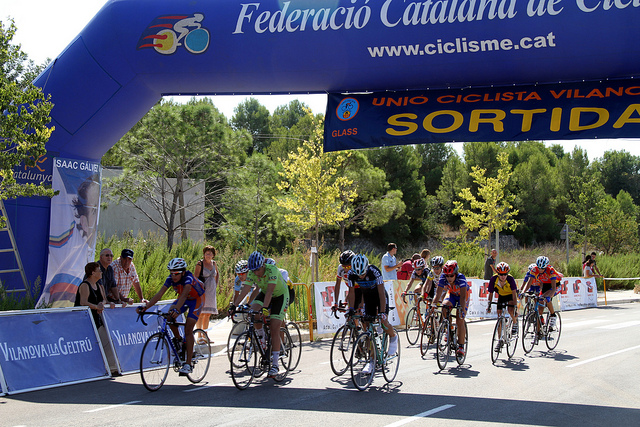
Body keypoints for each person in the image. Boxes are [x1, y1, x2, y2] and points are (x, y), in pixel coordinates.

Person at [137, 258, 205, 375]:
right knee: (168, 317)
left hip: (197, 300)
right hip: (184, 299)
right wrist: (146, 307)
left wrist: (176, 309)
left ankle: (188, 364)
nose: (173, 276)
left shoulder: (188, 278)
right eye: (171, 273)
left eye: (176, 273)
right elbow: (159, 294)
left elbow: (184, 295)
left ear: (183, 272)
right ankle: (178, 340)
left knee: (188, 329)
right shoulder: (170, 279)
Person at [234, 251, 290, 378]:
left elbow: (270, 292)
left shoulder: (272, 270)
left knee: (274, 328)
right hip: (265, 293)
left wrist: (265, 308)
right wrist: (234, 305)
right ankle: (262, 339)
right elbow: (245, 290)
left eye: (258, 270)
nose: (256, 273)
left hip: (279, 296)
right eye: (253, 271)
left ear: (263, 266)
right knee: (252, 313)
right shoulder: (253, 272)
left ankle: (275, 365)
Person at [347, 254, 398, 374]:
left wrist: (382, 313)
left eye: (363, 274)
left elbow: (381, 293)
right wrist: (351, 308)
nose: (360, 276)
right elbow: (352, 293)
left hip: (380, 297)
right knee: (366, 327)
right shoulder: (350, 274)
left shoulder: (374, 271)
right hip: (368, 298)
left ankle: (393, 337)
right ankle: (371, 360)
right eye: (358, 275)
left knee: (383, 322)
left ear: (366, 268)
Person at [75, 261, 118, 373]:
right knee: (98, 344)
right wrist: (96, 307)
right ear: (93, 272)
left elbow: (104, 299)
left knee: (108, 341)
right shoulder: (85, 285)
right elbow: (83, 302)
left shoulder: (99, 285)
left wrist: (103, 304)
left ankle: (112, 368)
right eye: (99, 271)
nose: (101, 273)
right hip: (86, 321)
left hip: (99, 320)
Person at [433, 260, 469, 357]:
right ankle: (449, 328)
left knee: (460, 319)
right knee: (444, 307)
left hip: (462, 296)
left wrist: (461, 309)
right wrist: (433, 304)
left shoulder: (461, 278)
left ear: (455, 274)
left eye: (451, 275)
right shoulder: (443, 277)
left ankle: (461, 346)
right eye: (447, 275)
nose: (449, 278)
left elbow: (463, 297)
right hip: (452, 294)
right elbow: (438, 293)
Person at [486, 261, 519, 351]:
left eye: (505, 274)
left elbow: (514, 294)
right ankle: (500, 340)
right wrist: (489, 305)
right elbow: (491, 293)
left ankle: (515, 323)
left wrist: (515, 307)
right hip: (501, 296)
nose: (503, 276)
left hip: (510, 296)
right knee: (500, 318)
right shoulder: (493, 279)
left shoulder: (510, 279)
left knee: (511, 310)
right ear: (497, 273)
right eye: (501, 274)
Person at [194, 245, 219, 344]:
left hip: (211, 291)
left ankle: (205, 334)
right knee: (201, 313)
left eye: (210, 254)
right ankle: (199, 335)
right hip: (202, 291)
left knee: (208, 314)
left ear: (213, 255)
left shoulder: (214, 263)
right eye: (206, 253)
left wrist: (215, 284)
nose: (208, 255)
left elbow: (217, 274)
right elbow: (195, 277)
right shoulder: (200, 264)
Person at [530, 256, 562, 333]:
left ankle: (553, 315)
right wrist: (523, 292)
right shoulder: (534, 269)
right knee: (539, 308)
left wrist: (549, 297)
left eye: (542, 268)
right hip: (545, 285)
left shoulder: (551, 270)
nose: (540, 270)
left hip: (554, 285)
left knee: (546, 297)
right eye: (539, 268)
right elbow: (529, 283)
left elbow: (553, 288)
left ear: (546, 266)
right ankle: (538, 330)